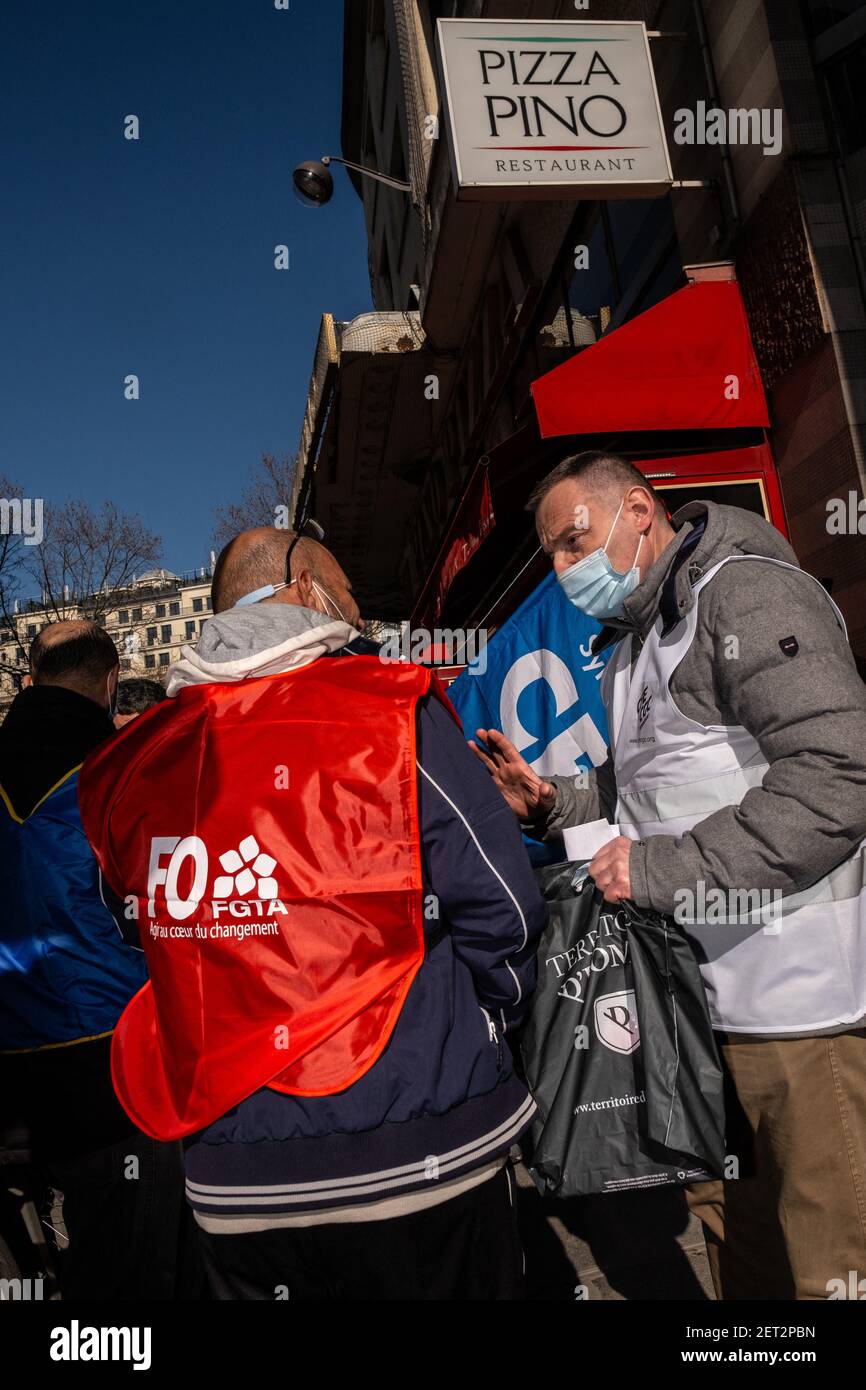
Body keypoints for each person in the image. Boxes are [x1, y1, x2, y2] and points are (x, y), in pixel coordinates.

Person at [77, 527, 547, 1301]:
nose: (361, 616)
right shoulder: (391, 708)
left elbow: (137, 932)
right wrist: (485, 1024)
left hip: (235, 1173)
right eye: (351, 593)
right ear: (304, 587)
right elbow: (505, 906)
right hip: (420, 1147)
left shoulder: (136, 765)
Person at [471, 450, 866, 1301]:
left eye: (574, 542)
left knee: (832, 1262)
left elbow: (839, 773)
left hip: (802, 1012)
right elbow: (639, 791)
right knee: (742, 1257)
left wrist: (662, 870)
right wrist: (550, 802)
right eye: (552, 555)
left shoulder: (746, 593)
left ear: (640, 510)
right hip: (698, 1013)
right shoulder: (632, 647)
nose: (563, 569)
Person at [0, 621, 195, 1299]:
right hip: (117, 1068)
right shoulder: (129, 769)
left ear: (30, 681)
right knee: (134, 1276)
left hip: (14, 1069)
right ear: (112, 683)